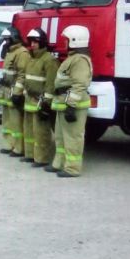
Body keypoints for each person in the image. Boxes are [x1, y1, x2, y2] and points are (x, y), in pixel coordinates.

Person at [45, 25, 93, 177]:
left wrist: (71, 106)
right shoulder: (73, 58)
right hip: (63, 102)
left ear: (75, 41)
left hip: (72, 105)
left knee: (73, 137)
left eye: (66, 40)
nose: (63, 42)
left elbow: (80, 85)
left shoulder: (80, 60)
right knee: (60, 136)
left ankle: (72, 168)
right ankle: (59, 163)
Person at [18, 28, 59, 167]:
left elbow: (50, 83)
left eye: (35, 42)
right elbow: (27, 79)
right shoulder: (31, 58)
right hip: (29, 100)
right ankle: (30, 155)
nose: (33, 45)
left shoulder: (49, 60)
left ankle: (42, 159)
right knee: (29, 130)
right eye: (31, 42)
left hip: (40, 101)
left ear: (42, 42)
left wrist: (47, 103)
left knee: (41, 132)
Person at [0, 27, 30, 156]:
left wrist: (17, 92)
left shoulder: (22, 53)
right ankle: (8, 144)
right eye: (4, 40)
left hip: (13, 91)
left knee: (16, 122)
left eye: (7, 40)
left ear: (13, 38)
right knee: (7, 120)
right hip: (5, 90)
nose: (5, 42)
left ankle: (18, 147)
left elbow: (22, 75)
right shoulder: (10, 52)